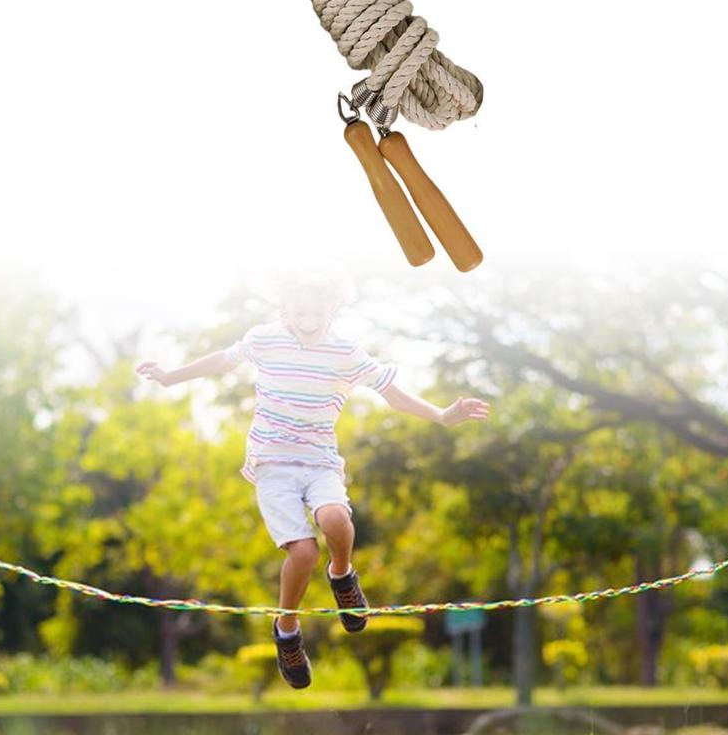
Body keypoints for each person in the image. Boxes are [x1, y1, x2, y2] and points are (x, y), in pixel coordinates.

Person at [135, 266, 489, 689]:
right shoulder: (264, 338)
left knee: (337, 520)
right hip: (273, 465)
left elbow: (391, 393)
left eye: (315, 310)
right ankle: (287, 632)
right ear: (285, 308)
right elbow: (222, 361)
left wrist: (441, 415)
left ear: (331, 308)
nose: (306, 318)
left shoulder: (345, 351)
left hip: (320, 461)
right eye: (298, 309)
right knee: (302, 554)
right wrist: (171, 376)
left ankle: (342, 575)